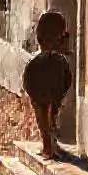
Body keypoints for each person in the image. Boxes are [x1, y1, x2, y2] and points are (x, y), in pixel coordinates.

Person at [23, 11, 73, 160]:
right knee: (47, 112)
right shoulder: (56, 62)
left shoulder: (55, 62)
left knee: (44, 112)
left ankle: (48, 145)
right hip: (44, 77)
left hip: (43, 77)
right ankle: (48, 145)